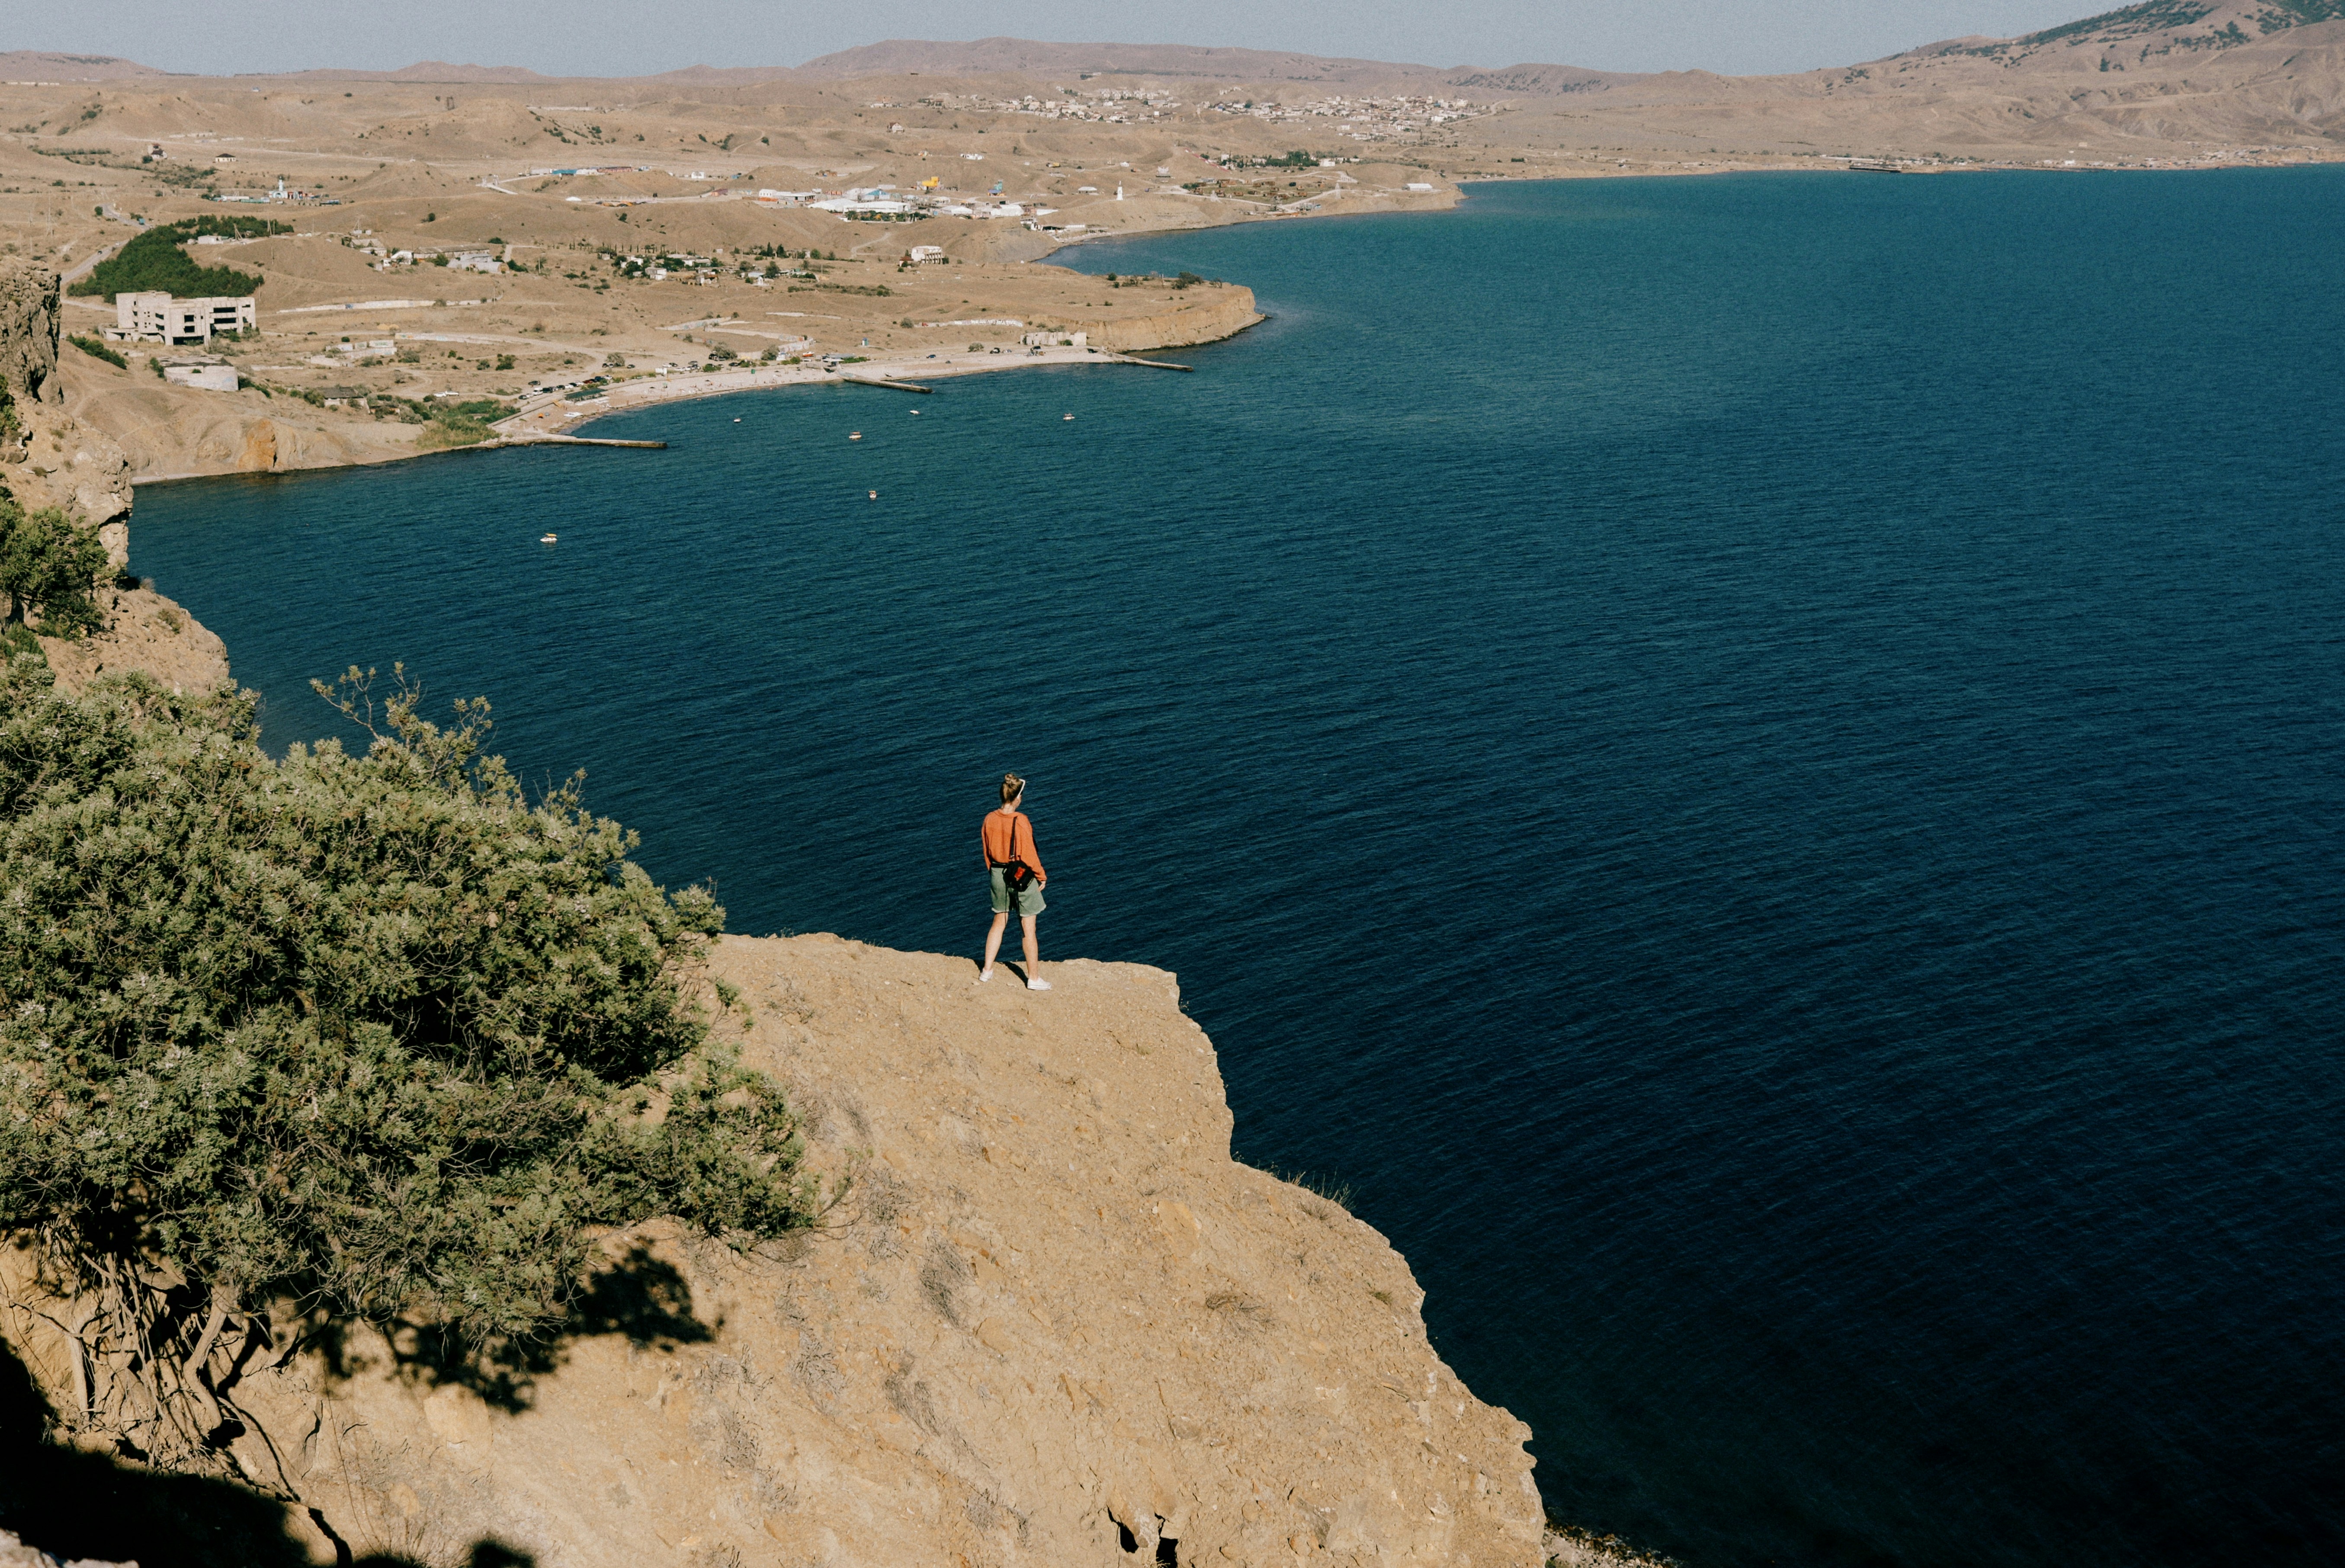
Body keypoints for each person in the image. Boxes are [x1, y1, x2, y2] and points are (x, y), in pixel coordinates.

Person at [980, 772, 1049, 990]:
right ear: (1018, 798)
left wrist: (996, 875)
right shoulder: (1021, 821)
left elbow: (986, 852)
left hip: (998, 874)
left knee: (999, 922)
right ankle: (1034, 979)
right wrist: (1041, 876)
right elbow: (1029, 855)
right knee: (1028, 929)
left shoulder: (989, 818)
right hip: (1019, 876)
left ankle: (987, 971)